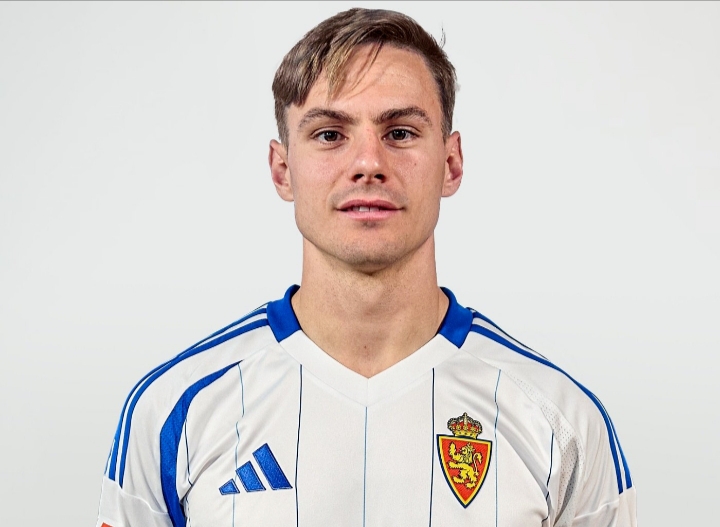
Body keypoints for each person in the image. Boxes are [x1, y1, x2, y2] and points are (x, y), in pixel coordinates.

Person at [96, 8, 636, 527]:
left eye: (400, 132)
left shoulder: (560, 419)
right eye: (330, 134)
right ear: (282, 170)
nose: (369, 164)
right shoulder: (174, 410)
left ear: (451, 164)